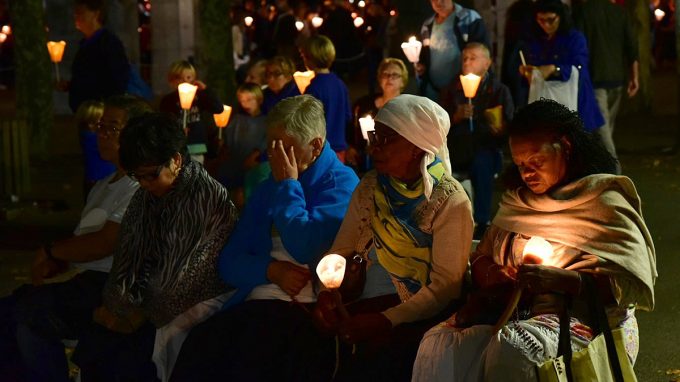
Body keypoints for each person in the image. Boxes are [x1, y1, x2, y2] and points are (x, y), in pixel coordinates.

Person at [412, 99, 657, 381]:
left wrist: (560, 280)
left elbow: (627, 287)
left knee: (514, 350)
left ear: (565, 147)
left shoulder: (603, 201)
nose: (527, 173)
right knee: (439, 344)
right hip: (511, 312)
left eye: (536, 162)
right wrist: (496, 274)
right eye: (519, 164)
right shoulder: (518, 201)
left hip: (586, 320)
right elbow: (481, 255)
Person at [170, 95, 359, 381]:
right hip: (259, 296)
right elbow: (230, 262)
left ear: (316, 146)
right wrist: (270, 270)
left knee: (255, 356)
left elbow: (305, 246)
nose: (273, 154)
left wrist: (288, 186)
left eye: (285, 146)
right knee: (201, 345)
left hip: (307, 309)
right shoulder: (267, 186)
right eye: (271, 144)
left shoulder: (341, 185)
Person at [314, 94, 474, 381]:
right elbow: (341, 249)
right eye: (374, 135)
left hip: (414, 314)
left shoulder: (450, 201)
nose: (373, 146)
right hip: (360, 303)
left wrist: (385, 320)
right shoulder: (370, 186)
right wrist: (326, 293)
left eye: (386, 139)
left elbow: (445, 288)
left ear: (416, 147)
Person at [71, 113, 238, 381]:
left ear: (175, 161)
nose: (145, 184)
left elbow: (182, 277)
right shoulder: (145, 196)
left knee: (131, 354)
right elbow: (128, 255)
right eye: (138, 177)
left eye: (150, 176)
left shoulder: (203, 196)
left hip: (196, 299)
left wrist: (134, 315)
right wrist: (118, 304)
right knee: (97, 342)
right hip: (150, 299)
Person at [0, 95, 151, 382]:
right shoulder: (103, 186)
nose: (101, 135)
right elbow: (81, 243)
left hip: (110, 284)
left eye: (112, 128)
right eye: (100, 126)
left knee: (28, 316)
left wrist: (53, 251)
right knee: (12, 314)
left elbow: (107, 241)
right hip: (82, 280)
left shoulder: (140, 186)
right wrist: (58, 261)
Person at [439, 43, 514, 239]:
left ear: (487, 63)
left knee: (483, 163)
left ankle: (482, 221)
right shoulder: (451, 89)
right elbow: (438, 122)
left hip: (485, 148)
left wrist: (499, 128)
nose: (467, 62)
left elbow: (509, 127)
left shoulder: (498, 91)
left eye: (473, 58)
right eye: (464, 58)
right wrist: (455, 117)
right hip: (457, 147)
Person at [574, 0, 639, 174]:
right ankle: (605, 171)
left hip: (596, 78)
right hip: (617, 78)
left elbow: (579, 45)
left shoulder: (584, 12)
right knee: (606, 129)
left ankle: (613, 172)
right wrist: (635, 76)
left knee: (603, 132)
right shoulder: (620, 13)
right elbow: (631, 46)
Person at [519, 0, 604, 133]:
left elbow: (580, 67)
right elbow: (533, 66)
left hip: (576, 100)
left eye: (551, 20)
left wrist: (555, 68)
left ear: (560, 17)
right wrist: (528, 72)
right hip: (546, 104)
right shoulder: (535, 39)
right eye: (541, 20)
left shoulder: (575, 38)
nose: (546, 25)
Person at [62, 0, 130, 113]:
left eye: (81, 12)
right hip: (85, 111)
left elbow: (117, 80)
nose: (76, 16)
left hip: (99, 113)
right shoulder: (86, 43)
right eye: (75, 13)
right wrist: (71, 86)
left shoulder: (108, 44)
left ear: (95, 14)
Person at [416, 0, 490, 102]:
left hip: (461, 92)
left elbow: (482, 51)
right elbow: (424, 55)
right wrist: (421, 66)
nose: (438, 2)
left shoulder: (469, 18)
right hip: (433, 91)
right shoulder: (427, 25)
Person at [347, 57, 408, 172]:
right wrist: (351, 148)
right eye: (386, 74)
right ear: (380, 78)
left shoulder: (407, 108)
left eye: (395, 75)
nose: (389, 78)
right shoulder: (364, 104)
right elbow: (352, 130)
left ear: (403, 81)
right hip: (364, 163)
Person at [159, 60, 224, 164]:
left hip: (196, 147)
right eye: (179, 77)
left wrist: (205, 90)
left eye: (188, 78)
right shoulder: (168, 101)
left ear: (194, 79)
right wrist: (177, 130)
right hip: (177, 148)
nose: (184, 81)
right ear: (171, 80)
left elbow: (218, 108)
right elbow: (163, 123)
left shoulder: (199, 97)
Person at [215, 82, 268, 209]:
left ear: (259, 99)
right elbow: (228, 141)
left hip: (252, 168)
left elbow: (265, 143)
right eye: (242, 100)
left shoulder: (266, 121)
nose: (246, 104)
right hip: (233, 165)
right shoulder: (237, 120)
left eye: (249, 100)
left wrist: (255, 156)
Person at [301, 34, 352, 162]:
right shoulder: (340, 84)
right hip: (339, 149)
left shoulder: (314, 88)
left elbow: (307, 121)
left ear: (309, 58)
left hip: (320, 151)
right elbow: (347, 116)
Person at [75, 100, 116, 196]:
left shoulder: (88, 136)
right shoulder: (90, 137)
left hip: (100, 180)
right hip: (98, 181)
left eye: (95, 123)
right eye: (86, 123)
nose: (90, 126)